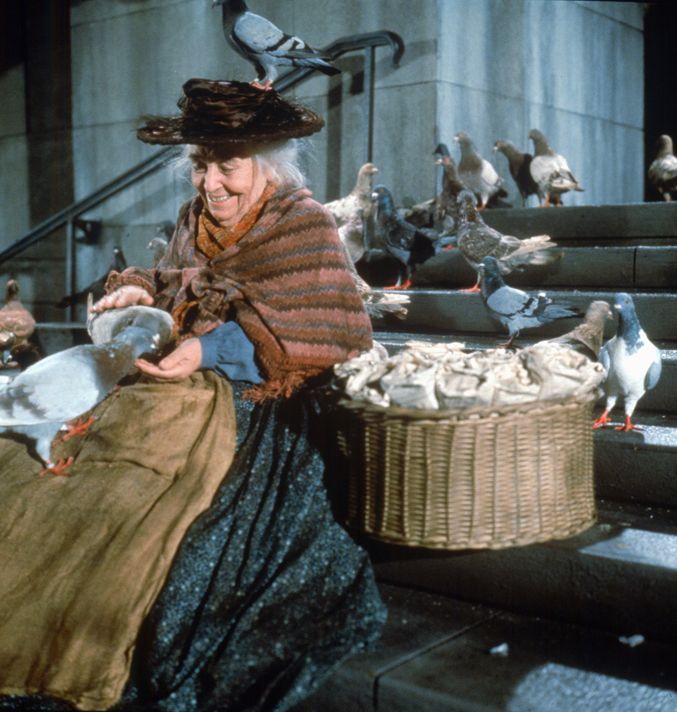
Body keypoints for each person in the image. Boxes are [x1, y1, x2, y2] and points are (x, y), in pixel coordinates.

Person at [0, 79, 386, 711]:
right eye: (201, 166)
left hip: (249, 404)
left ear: (266, 165)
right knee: (39, 469)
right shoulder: (194, 219)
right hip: (159, 387)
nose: (212, 184)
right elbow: (179, 284)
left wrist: (207, 351)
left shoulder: (305, 225)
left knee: (130, 499)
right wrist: (139, 294)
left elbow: (331, 327)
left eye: (227, 167)